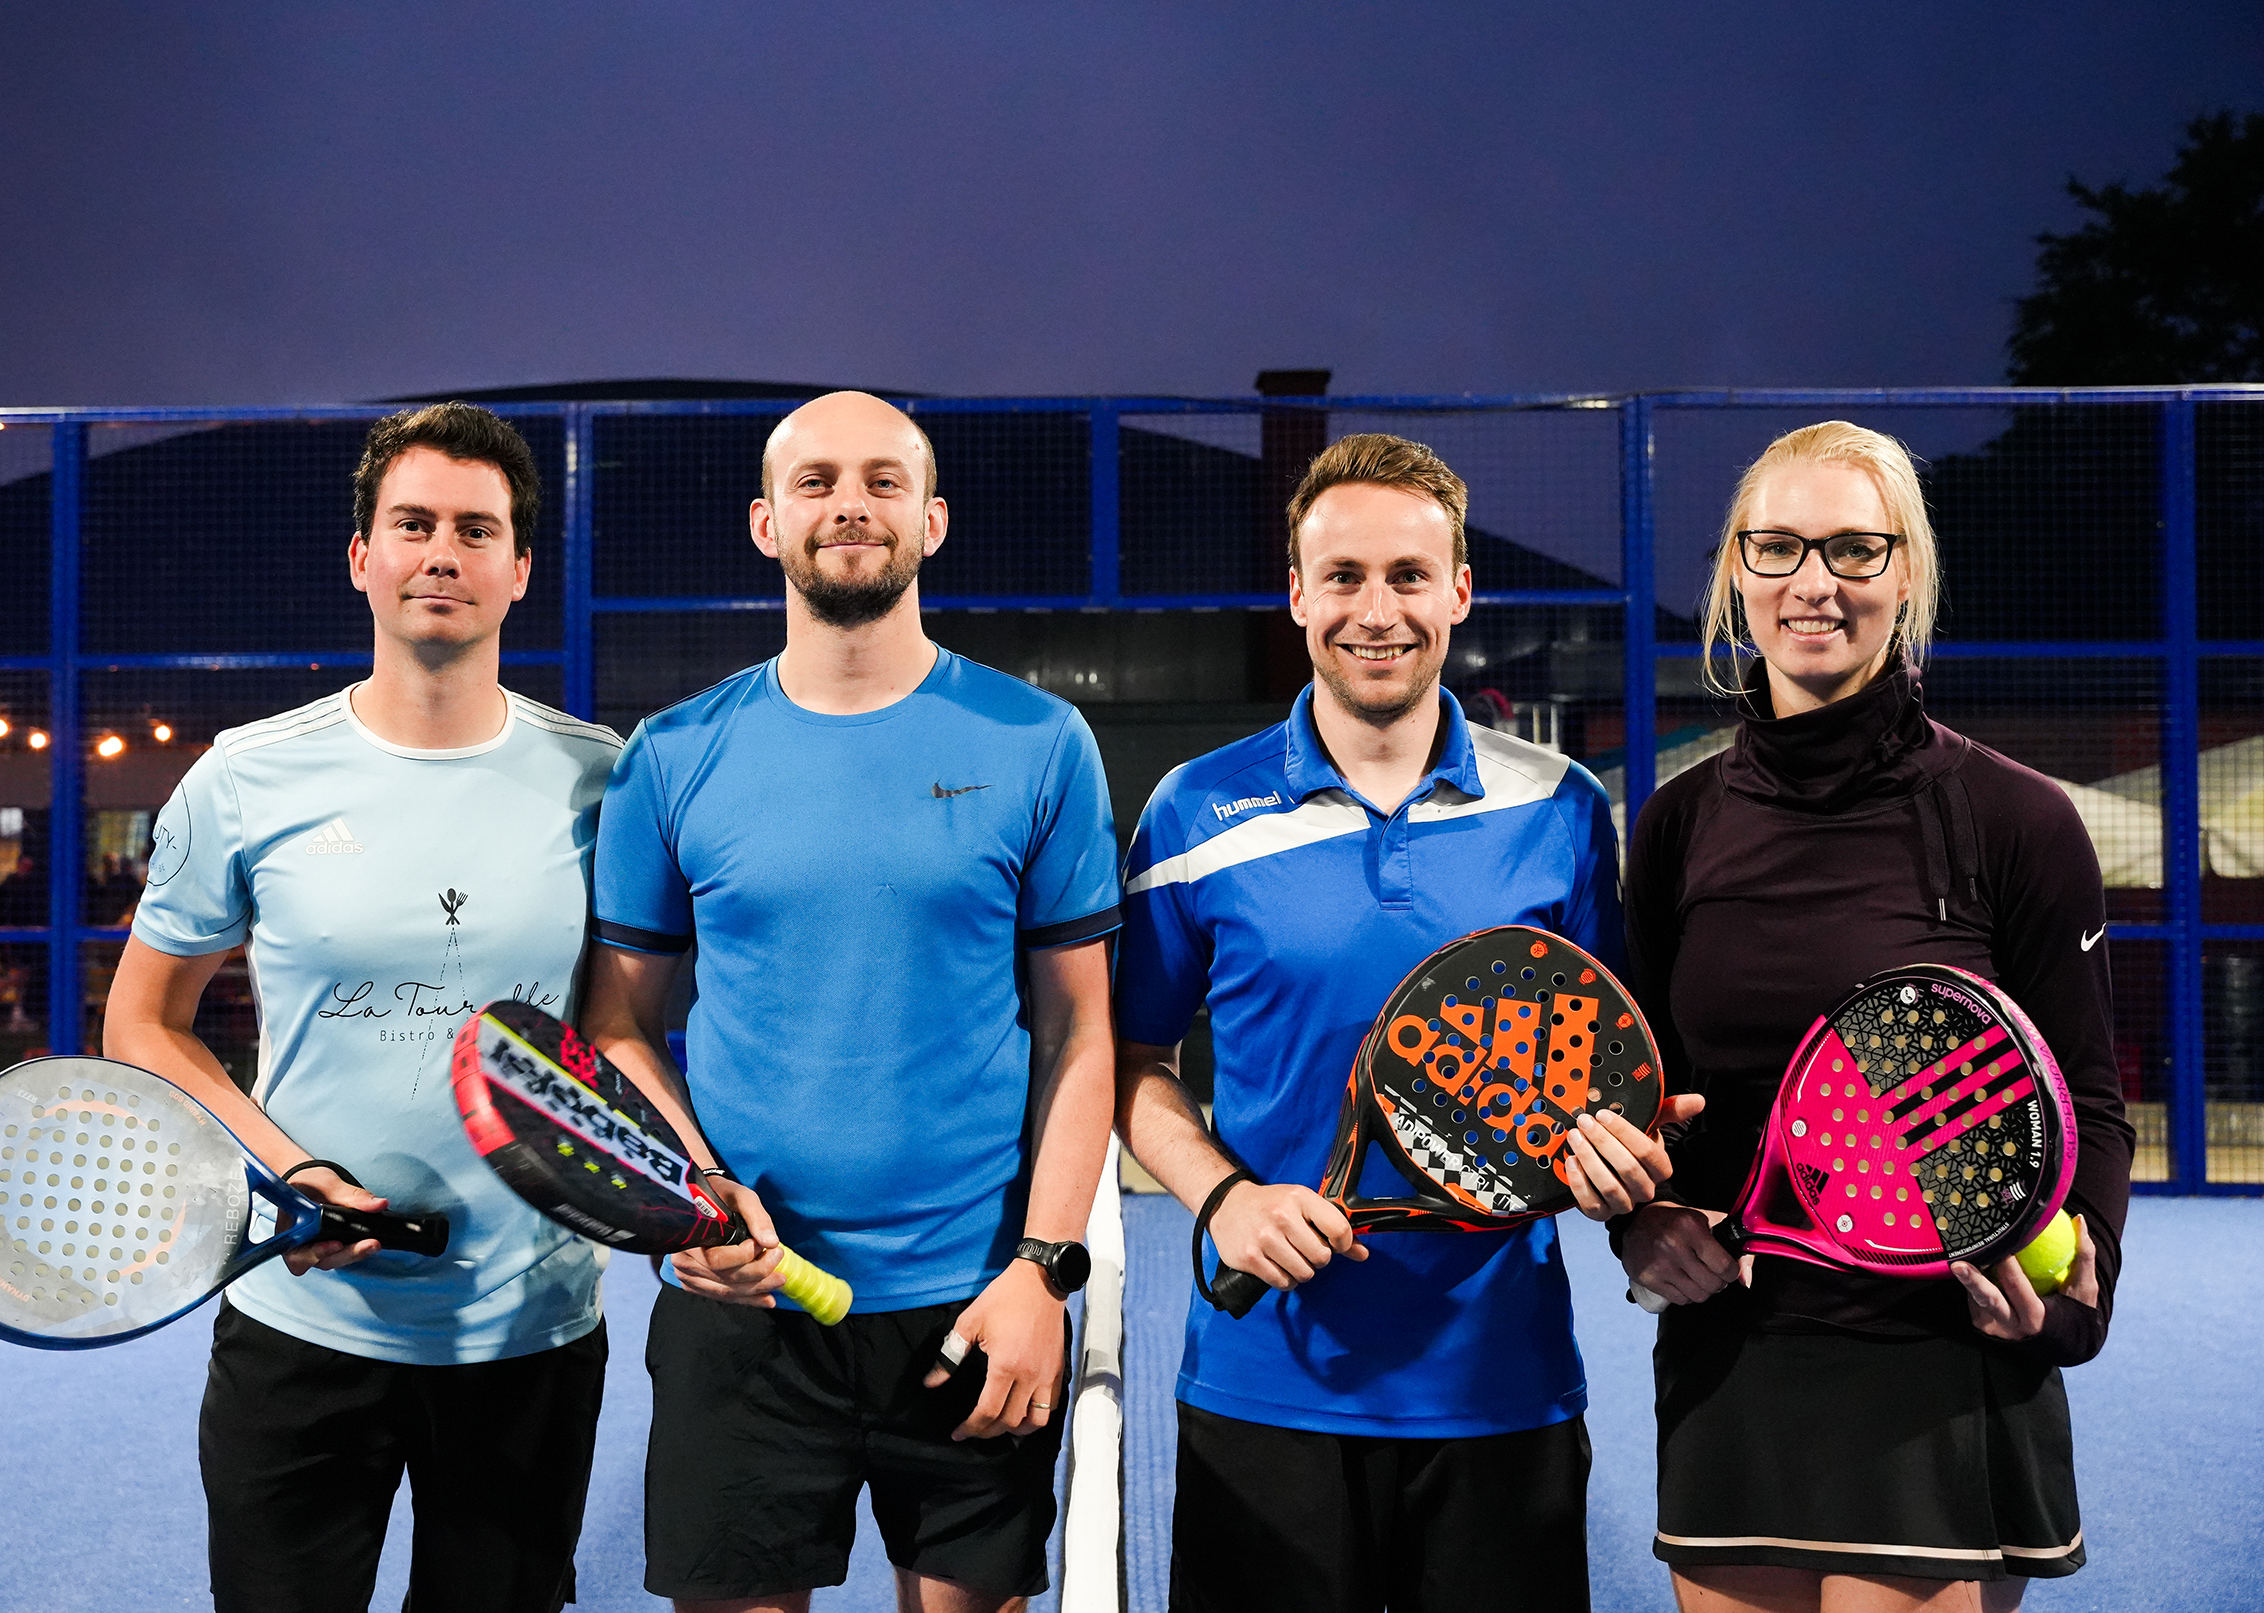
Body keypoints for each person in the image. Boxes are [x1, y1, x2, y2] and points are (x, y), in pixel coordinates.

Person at [1114, 431, 1699, 1613]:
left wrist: (1631, 1186)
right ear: (1296, 593)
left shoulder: (1560, 807)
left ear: (1459, 592)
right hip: (1263, 1384)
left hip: (1500, 1389)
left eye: (1407, 576)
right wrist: (1225, 1200)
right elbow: (1131, 1062)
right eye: (1342, 576)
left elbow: (1614, 1075)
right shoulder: (1192, 811)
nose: (1375, 611)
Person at [581, 390, 1120, 1613]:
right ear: (765, 522)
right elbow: (617, 1022)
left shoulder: (1040, 740)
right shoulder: (671, 754)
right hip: (745, 1307)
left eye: (884, 480)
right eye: (816, 481)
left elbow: (1079, 1031)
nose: (850, 505)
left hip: (973, 1300)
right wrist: (697, 1193)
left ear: (932, 519)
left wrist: (1043, 1269)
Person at [104, 402, 621, 1613]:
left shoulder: (602, 779)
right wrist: (292, 1171)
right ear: (362, 555)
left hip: (529, 1328)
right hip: (301, 1322)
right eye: (413, 523)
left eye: (476, 529)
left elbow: (621, 1030)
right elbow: (143, 1020)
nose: (442, 552)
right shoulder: (242, 777)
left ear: (520, 569)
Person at [1616, 421, 2132, 1613]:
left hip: (1937, 1359)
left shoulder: (2015, 819)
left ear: (1906, 574)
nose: (1815, 582)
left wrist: (2073, 1295)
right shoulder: (1676, 825)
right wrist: (1640, 1222)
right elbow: (1649, 1096)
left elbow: (2089, 1103)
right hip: (1730, 1354)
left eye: (1854, 548)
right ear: (1736, 571)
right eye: (1779, 546)